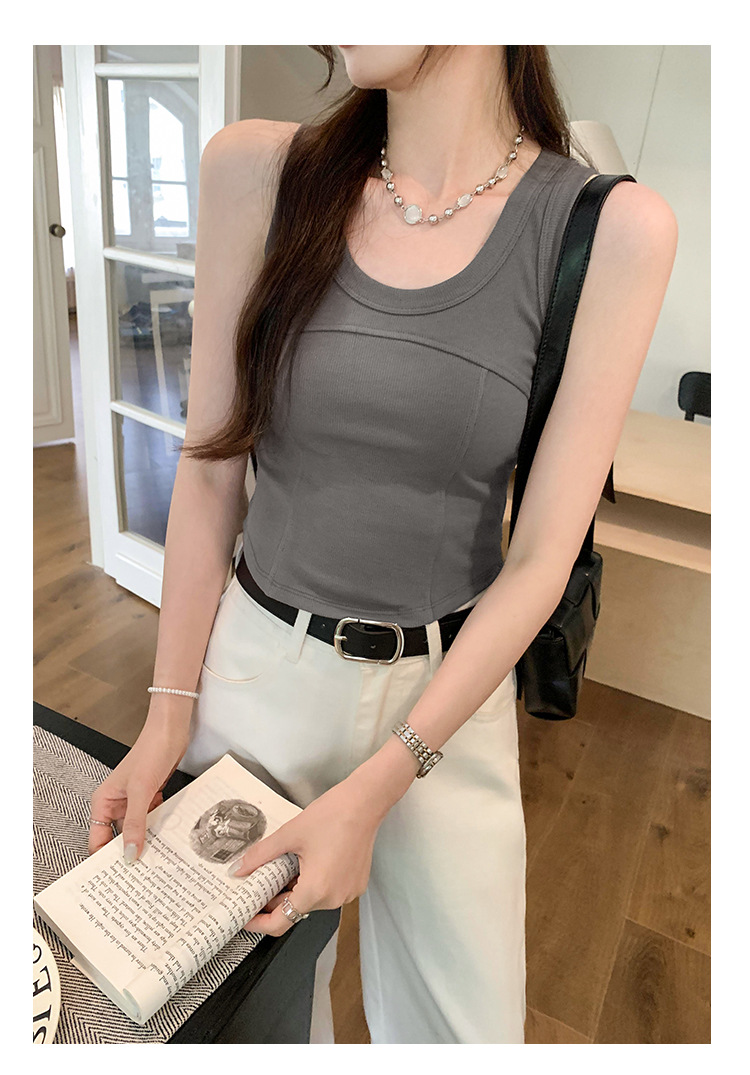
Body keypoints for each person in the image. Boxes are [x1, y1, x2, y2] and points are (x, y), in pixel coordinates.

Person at [86, 45, 678, 1044]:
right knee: (252, 1023)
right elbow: (211, 467)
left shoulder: (611, 229)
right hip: (256, 672)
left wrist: (386, 780)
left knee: (466, 1033)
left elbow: (542, 555)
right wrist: (165, 712)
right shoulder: (258, 172)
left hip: (448, 699)